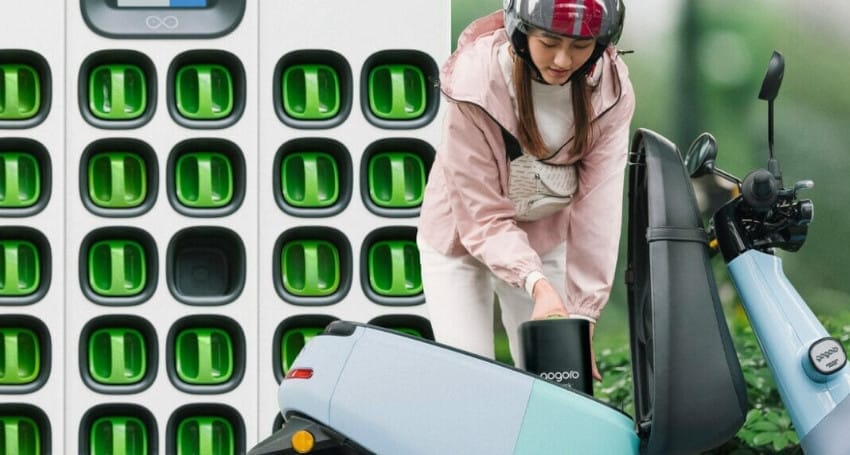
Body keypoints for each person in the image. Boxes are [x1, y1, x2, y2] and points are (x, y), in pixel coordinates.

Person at [417, 0, 635, 381]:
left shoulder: (610, 91)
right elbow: (483, 218)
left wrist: (583, 314)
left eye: (580, 45)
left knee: (556, 380)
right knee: (470, 380)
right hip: (460, 236)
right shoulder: (474, 81)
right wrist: (537, 284)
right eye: (549, 42)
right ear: (521, 31)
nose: (563, 59)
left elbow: (598, 210)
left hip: (546, 236)